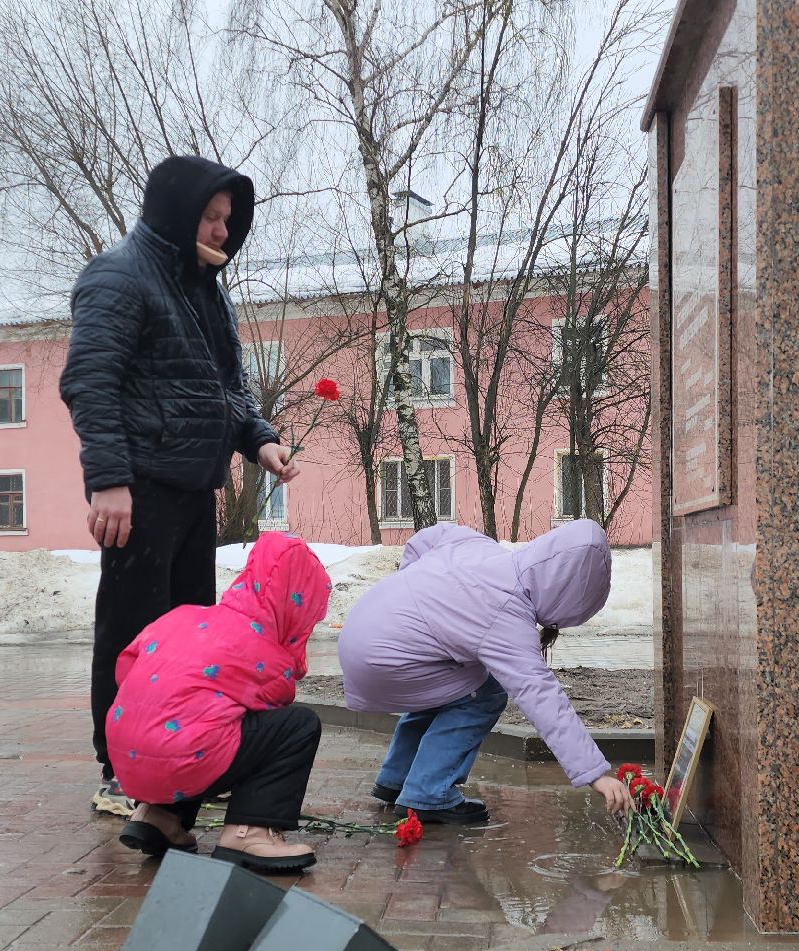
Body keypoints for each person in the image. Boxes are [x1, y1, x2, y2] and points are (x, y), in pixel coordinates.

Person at [60, 155, 299, 818]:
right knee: (132, 635)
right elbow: (90, 383)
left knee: (189, 640)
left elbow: (227, 389)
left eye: (228, 219)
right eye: (212, 217)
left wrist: (259, 438)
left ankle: (182, 759)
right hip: (139, 490)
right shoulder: (117, 277)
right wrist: (108, 481)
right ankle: (121, 770)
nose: (224, 231)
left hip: (195, 488)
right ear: (176, 211)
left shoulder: (205, 290)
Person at [336, 519, 634, 823]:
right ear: (566, 600)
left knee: (454, 681)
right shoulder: (506, 611)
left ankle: (397, 778)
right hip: (386, 662)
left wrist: (412, 590)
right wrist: (596, 774)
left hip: (360, 632)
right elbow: (540, 695)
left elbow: (431, 536)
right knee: (485, 692)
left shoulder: (479, 548)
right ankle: (428, 793)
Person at [108, 532, 329, 874]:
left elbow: (127, 666)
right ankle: (249, 830)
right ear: (295, 604)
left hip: (127, 759)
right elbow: (276, 705)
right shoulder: (265, 648)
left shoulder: (185, 616)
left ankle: (158, 815)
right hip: (181, 758)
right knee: (297, 725)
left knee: (199, 716)